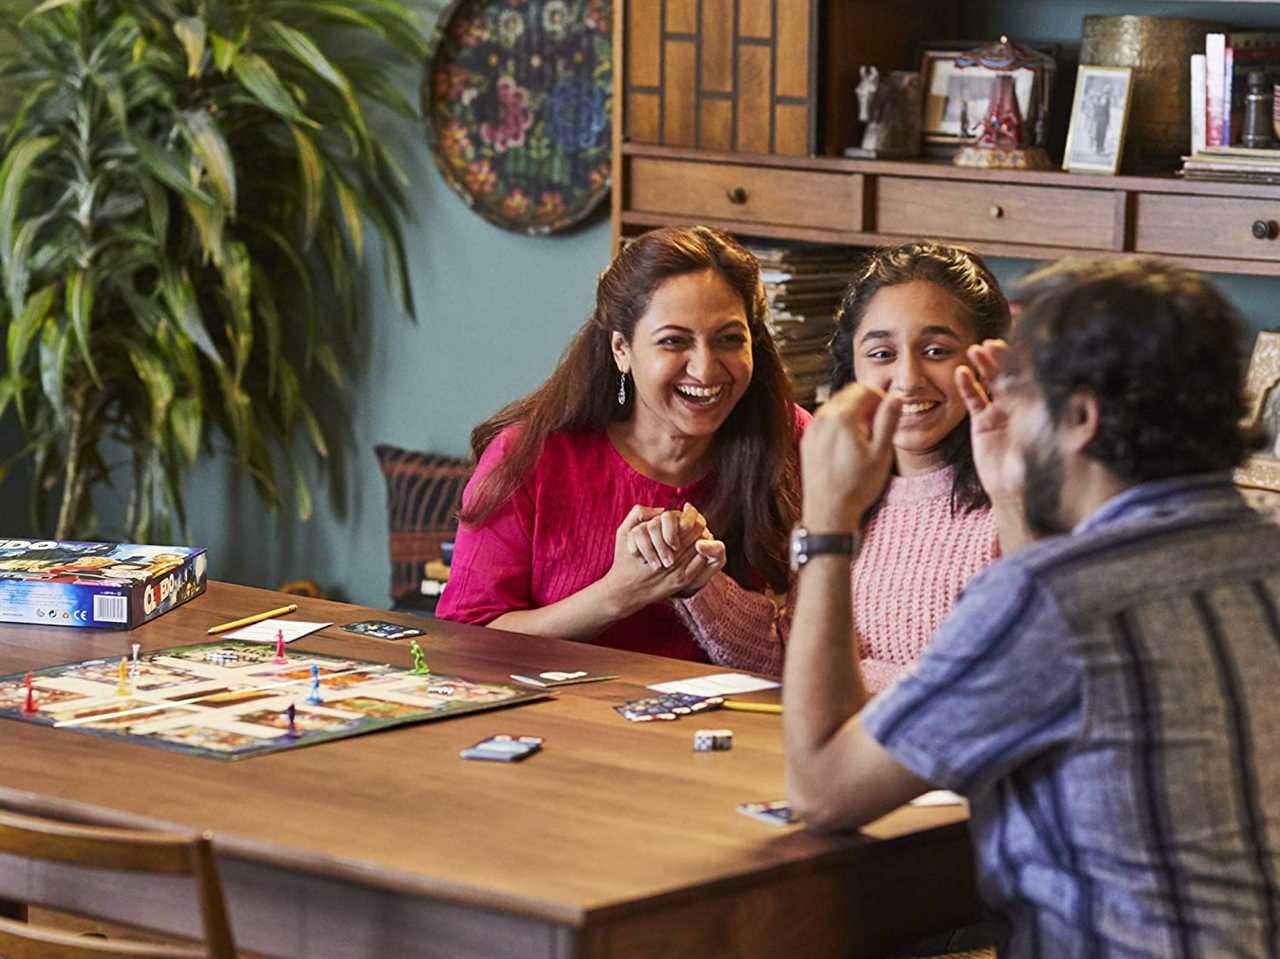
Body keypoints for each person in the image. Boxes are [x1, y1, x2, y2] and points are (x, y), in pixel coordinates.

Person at [783, 258, 1280, 956]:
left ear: (1078, 418)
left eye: (1019, 389)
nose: (1001, 408)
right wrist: (1014, 498)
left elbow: (824, 790)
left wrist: (829, 522)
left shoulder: (1057, 598)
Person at [437, 225, 806, 663]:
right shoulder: (528, 455)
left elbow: (825, 638)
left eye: (729, 339)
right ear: (622, 350)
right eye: (674, 341)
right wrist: (618, 594)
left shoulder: (796, 442)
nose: (706, 370)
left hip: (735, 728)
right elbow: (466, 643)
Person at [674, 242, 1020, 687]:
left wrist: (850, 677)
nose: (909, 379)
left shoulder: (1016, 498)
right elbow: (793, 656)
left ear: (985, 358)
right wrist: (698, 580)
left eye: (936, 351)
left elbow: (1014, 682)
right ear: (852, 366)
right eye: (881, 354)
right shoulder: (841, 490)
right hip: (837, 751)